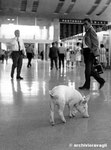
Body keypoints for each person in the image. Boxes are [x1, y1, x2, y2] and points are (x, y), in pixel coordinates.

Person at [79, 18, 105, 90]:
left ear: (90, 23)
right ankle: (101, 81)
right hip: (86, 52)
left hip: (89, 52)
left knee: (87, 70)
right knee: (91, 70)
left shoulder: (91, 31)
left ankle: (87, 85)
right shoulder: (87, 31)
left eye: (86, 24)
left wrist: (92, 51)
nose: (84, 25)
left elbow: (95, 43)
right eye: (84, 24)